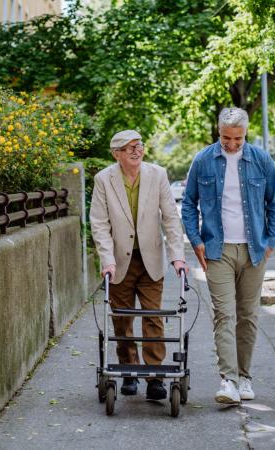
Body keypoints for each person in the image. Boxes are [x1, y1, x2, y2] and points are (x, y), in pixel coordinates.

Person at [181, 107, 275, 404]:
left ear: (245, 134)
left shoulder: (261, 160)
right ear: (219, 132)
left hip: (254, 251)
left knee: (248, 316)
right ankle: (228, 380)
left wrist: (270, 244)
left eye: (237, 139)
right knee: (224, 315)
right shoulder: (203, 160)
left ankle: (245, 377)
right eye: (226, 138)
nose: (231, 144)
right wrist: (197, 240)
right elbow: (189, 204)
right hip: (218, 250)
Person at [90, 129, 188, 400]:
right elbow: (99, 223)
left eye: (139, 145)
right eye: (129, 147)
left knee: (153, 317)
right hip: (119, 260)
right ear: (117, 154)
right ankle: (129, 371)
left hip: (150, 259)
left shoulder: (158, 174)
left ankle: (155, 377)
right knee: (122, 319)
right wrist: (107, 260)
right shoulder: (104, 180)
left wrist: (177, 255)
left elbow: (170, 217)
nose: (136, 150)